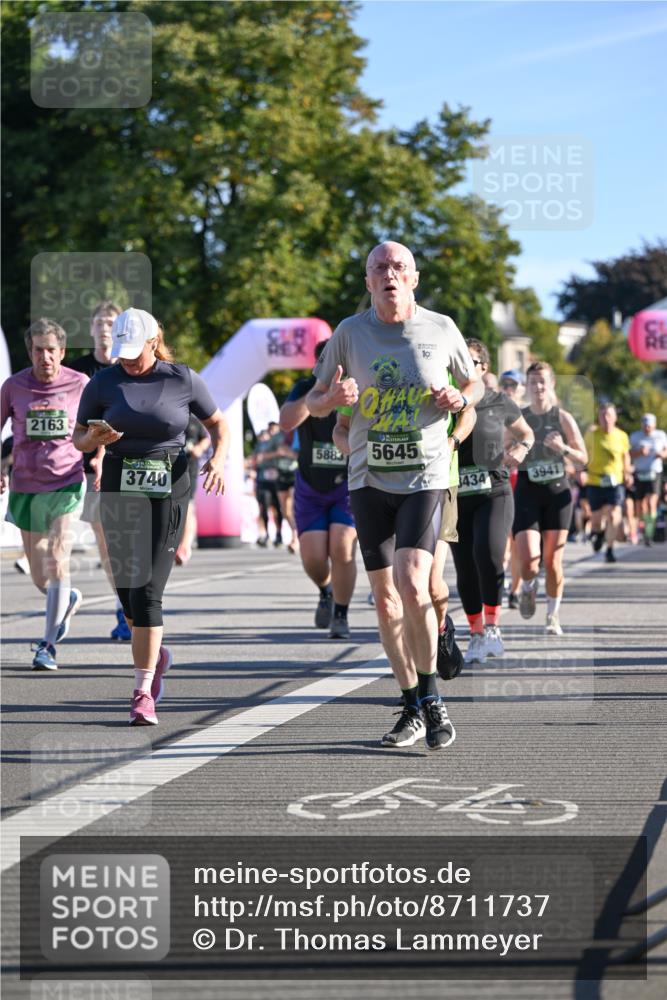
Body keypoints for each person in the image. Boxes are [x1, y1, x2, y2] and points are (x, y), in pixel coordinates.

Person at [308, 240, 481, 751]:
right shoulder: (349, 333)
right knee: (385, 601)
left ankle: (432, 698)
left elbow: (474, 388)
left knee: (411, 581)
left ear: (414, 278)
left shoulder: (441, 328)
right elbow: (314, 402)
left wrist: (459, 398)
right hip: (368, 478)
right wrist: (332, 398)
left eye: (399, 266)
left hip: (425, 475)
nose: (389, 273)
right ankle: (411, 703)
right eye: (379, 267)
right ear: (368, 281)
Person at [73, 308, 229, 725]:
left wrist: (218, 460)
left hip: (168, 487)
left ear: (153, 342)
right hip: (119, 484)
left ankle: (142, 693)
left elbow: (218, 424)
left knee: (146, 593)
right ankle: (155, 653)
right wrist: (94, 438)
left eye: (134, 352)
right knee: (127, 593)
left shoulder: (181, 379)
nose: (126, 360)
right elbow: (78, 438)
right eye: (121, 352)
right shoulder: (103, 382)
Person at [1, 319, 87, 670]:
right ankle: (67, 597)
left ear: (62, 352)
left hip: (67, 481)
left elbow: (95, 426)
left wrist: (98, 455)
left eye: (51, 350)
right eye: (38, 350)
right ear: (30, 352)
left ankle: (47, 646)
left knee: (57, 559)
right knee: (40, 574)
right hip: (25, 485)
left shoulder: (80, 384)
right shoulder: (13, 386)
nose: (45, 357)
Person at [448, 340, 534, 663]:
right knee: (465, 567)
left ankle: (493, 626)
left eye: (469, 361)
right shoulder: (445, 401)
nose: (462, 367)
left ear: (483, 367)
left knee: (489, 556)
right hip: (457, 494)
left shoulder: (499, 401)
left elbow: (527, 434)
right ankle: (475, 633)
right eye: (457, 361)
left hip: (494, 491)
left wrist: (521, 449)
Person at [279, 340, 357, 639]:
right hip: (311, 485)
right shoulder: (304, 388)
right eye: (324, 361)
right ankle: (326, 591)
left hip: (347, 484)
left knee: (342, 547)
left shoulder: (357, 387)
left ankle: (341, 613)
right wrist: (319, 394)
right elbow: (287, 422)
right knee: (313, 558)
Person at [68, 299, 132, 639]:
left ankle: (139, 603)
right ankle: (124, 608)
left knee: (132, 540)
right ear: (91, 328)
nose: (105, 329)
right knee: (107, 542)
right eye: (100, 323)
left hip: (130, 464)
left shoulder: (133, 366)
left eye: (111, 323)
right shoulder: (77, 371)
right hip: (91, 472)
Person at [513, 361, 588, 635]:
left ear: (552, 383)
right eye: (533, 382)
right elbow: (502, 450)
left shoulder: (563, 418)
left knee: (553, 562)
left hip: (557, 494)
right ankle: (528, 587)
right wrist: (513, 450)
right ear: (527, 386)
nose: (538, 387)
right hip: (527, 492)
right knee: (529, 560)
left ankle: (552, 616)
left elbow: (583, 459)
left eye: (542, 381)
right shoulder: (519, 418)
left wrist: (563, 448)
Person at [427, 379, 476, 680]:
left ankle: (442, 628)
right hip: (391, 484)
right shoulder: (376, 359)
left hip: (441, 482)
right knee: (402, 587)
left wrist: (453, 441)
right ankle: (417, 684)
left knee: (432, 585)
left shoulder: (445, 361)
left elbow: (471, 405)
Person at [584, 402, 631, 564]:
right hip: (595, 481)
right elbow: (583, 454)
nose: (606, 418)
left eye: (609, 415)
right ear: (598, 417)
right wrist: (580, 471)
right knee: (596, 519)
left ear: (615, 417)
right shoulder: (591, 434)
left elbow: (625, 456)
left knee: (613, 514)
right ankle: (598, 533)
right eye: (602, 415)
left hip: (615, 481)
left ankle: (610, 549)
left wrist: (627, 473)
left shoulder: (622, 436)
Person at [175, 413, 210, 564]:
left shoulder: (194, 421)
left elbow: (206, 438)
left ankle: (185, 547)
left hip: (189, 470)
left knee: (188, 506)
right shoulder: (167, 415)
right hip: (167, 469)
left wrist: (199, 448)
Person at [629, 412, 667, 546]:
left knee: (651, 503)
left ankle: (649, 533)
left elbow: (666, 451)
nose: (647, 428)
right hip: (639, 473)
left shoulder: (661, 435)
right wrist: (639, 452)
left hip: (654, 472)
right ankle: (644, 527)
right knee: (641, 505)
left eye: (649, 426)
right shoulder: (635, 436)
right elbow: (627, 454)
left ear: (654, 425)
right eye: (645, 425)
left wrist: (661, 454)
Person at [253, 426, 285, 547]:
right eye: (271, 430)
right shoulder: (261, 444)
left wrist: (267, 456)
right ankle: (266, 534)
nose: (272, 432)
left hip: (278, 478)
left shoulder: (282, 440)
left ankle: (279, 534)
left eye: (275, 430)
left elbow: (283, 453)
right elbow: (256, 459)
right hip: (263, 479)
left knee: (278, 507)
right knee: (264, 506)